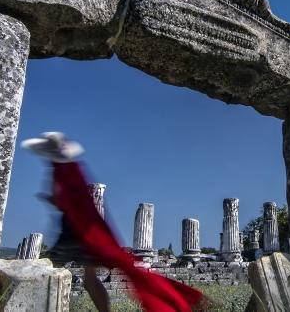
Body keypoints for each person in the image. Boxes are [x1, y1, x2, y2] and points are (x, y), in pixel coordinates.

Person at [21, 132, 204, 312]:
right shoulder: (74, 168)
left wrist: (47, 198)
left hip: (77, 230)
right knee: (90, 279)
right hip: (87, 228)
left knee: (55, 267)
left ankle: (29, 298)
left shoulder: (60, 171)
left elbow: (64, 202)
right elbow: (79, 201)